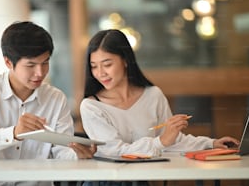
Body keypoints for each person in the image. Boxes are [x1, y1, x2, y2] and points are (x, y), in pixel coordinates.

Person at [0, 21, 97, 186]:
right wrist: (14, 133)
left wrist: (78, 154)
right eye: (31, 65)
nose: (40, 73)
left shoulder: (55, 98)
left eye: (45, 63)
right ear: (8, 63)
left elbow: (61, 152)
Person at [80, 29, 239, 157]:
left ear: (126, 60)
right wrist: (161, 141)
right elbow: (114, 151)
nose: (100, 73)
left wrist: (211, 144)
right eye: (94, 66)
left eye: (107, 64)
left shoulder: (153, 95)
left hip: (142, 181)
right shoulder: (91, 106)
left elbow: (173, 141)